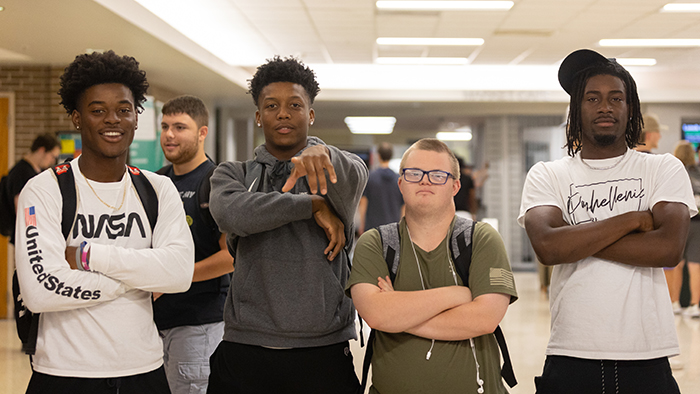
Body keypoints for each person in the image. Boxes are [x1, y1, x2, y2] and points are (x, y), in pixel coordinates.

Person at [15, 50, 194, 394]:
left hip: (145, 372)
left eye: (123, 110)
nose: (113, 120)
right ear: (77, 118)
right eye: (98, 111)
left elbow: (179, 273)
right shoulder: (45, 189)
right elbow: (40, 291)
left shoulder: (158, 189)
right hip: (64, 374)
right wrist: (135, 281)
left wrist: (86, 256)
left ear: (136, 118)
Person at [519, 49, 695, 394]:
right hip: (570, 352)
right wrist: (631, 219)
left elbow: (668, 249)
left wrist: (576, 237)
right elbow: (549, 247)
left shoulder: (662, 169)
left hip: (647, 353)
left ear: (630, 109)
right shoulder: (548, 174)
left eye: (617, 98)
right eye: (592, 98)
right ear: (576, 108)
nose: (605, 107)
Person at [207, 56, 368, 394]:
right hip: (246, 347)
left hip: (323, 349)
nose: (283, 113)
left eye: (295, 105)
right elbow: (233, 215)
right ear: (258, 116)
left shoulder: (342, 171)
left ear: (310, 115)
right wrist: (311, 205)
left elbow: (355, 173)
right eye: (271, 105)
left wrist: (318, 150)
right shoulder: (232, 174)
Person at [348, 138, 518, 394]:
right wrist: (458, 294)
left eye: (438, 175)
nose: (425, 180)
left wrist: (398, 315)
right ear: (401, 183)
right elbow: (375, 315)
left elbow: (485, 319)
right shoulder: (375, 244)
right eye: (414, 174)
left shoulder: (481, 239)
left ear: (455, 185)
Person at [155, 95, 234, 394]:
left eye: (180, 127)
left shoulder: (217, 182)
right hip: (154, 323)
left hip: (198, 326)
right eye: (164, 126)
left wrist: (173, 277)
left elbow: (231, 257)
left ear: (202, 132)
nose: (169, 135)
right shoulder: (157, 182)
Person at [2, 132, 60, 244]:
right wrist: (32, 233)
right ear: (42, 150)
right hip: (29, 236)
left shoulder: (36, 171)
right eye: (52, 156)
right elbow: (22, 206)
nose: (53, 161)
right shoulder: (22, 172)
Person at [666, 140, 700, 318]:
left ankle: (674, 302)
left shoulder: (673, 172)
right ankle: (695, 305)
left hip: (678, 224)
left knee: (675, 264)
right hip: (698, 224)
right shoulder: (698, 173)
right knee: (696, 265)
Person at [358, 142, 403, 234]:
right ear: (391, 156)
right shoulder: (399, 180)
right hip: (394, 229)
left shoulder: (370, 178)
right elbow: (404, 206)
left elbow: (363, 202)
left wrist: (362, 224)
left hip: (373, 229)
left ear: (378, 156)